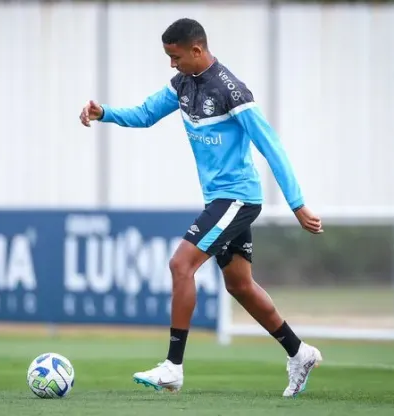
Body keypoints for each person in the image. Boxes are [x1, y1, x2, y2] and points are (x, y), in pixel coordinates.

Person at [79, 17, 324, 398]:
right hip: (220, 199)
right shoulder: (182, 85)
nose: (171, 65)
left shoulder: (232, 91)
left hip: (238, 197)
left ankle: (173, 367)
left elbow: (271, 145)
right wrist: (104, 112)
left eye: (175, 57)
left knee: (181, 265)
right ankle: (299, 352)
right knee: (239, 285)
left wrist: (297, 205)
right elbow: (145, 115)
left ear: (196, 49)